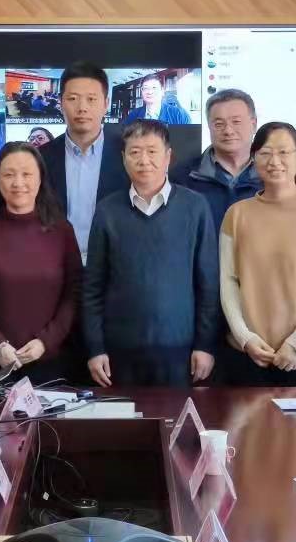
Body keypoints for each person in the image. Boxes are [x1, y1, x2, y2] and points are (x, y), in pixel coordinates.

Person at [83, 121, 218, 387]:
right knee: (124, 415)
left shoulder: (195, 207)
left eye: (152, 151)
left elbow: (208, 284)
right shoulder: (107, 210)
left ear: (168, 156)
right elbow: (93, 286)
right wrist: (95, 348)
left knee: (176, 414)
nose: (144, 160)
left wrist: (205, 345)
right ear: (124, 158)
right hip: (119, 352)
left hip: (180, 351)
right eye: (135, 152)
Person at [219, 122, 296, 389]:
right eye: (265, 153)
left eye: (284, 152)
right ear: (254, 159)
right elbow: (228, 282)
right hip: (248, 353)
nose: (275, 161)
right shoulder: (236, 214)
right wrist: (245, 338)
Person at [0, 143, 82, 383]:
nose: (18, 183)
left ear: (41, 178)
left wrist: (45, 341)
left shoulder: (61, 230)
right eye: (9, 174)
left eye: (27, 174)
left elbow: (73, 293)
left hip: (48, 362)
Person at [41, 62, 129, 263]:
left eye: (91, 99)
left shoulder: (127, 154)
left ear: (106, 104)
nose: (82, 108)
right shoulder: (41, 158)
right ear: (61, 103)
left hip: (113, 266)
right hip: (56, 266)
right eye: (73, 99)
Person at [173, 88, 261, 231]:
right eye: (219, 124)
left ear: (254, 124)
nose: (228, 131)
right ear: (209, 127)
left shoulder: (275, 175)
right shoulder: (182, 177)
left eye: (236, 122)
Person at [123, 74, 192, 125]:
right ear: (141, 92)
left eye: (154, 87)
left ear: (162, 91)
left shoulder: (179, 115)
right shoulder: (133, 115)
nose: (150, 92)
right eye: (145, 88)